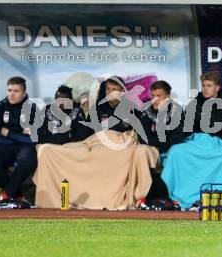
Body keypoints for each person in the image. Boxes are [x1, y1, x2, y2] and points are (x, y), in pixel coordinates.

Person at [33, 76, 158, 210]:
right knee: (61, 151)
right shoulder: (98, 109)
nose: (110, 92)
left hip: (118, 145)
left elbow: (135, 135)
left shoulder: (132, 109)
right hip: (95, 143)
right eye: (108, 89)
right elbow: (87, 135)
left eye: (114, 89)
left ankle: (106, 197)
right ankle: (71, 196)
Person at [161, 72, 222, 209]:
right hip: (197, 141)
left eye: (209, 85)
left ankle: (217, 195)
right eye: (203, 85)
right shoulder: (194, 104)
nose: (205, 89)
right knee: (176, 151)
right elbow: (185, 127)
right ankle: (170, 196)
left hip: (219, 143)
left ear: (217, 87)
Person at [0, 76, 37, 208]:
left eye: (16, 91)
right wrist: (20, 136)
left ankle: (7, 195)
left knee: (27, 161)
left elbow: (33, 138)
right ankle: (17, 196)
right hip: (3, 145)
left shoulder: (32, 108)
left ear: (24, 93)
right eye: (9, 90)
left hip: (23, 147)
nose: (11, 94)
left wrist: (8, 133)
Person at [139, 80, 185, 204]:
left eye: (158, 96)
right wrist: (157, 145)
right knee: (140, 151)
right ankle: (140, 196)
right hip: (151, 149)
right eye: (152, 96)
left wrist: (159, 145)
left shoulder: (177, 111)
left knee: (177, 152)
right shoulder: (146, 111)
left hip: (169, 150)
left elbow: (177, 138)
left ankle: (174, 197)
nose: (154, 99)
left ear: (168, 97)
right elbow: (143, 137)